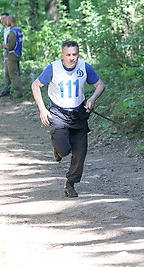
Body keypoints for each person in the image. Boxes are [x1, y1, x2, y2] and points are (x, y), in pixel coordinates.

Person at [31, 41, 106, 197]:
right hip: (58, 114)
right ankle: (58, 150)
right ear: (62, 55)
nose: (72, 58)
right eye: (68, 55)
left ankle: (70, 184)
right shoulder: (53, 68)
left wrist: (92, 99)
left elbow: (100, 85)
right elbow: (35, 85)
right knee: (64, 149)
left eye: (75, 54)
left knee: (80, 153)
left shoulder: (84, 67)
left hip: (79, 114)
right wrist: (42, 109)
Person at [0, 15, 25, 98]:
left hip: (12, 54)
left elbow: (10, 45)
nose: (6, 22)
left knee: (13, 75)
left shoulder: (12, 32)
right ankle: (16, 91)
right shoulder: (18, 30)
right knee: (16, 73)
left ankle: (18, 93)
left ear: (10, 21)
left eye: (7, 20)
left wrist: (1, 46)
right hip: (18, 53)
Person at [0, 12, 12, 97]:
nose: (3, 20)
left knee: (11, 72)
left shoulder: (12, 29)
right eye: (1, 19)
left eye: (4, 18)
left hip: (12, 53)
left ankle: (12, 90)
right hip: (6, 52)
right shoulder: (5, 29)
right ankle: (7, 90)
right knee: (7, 72)